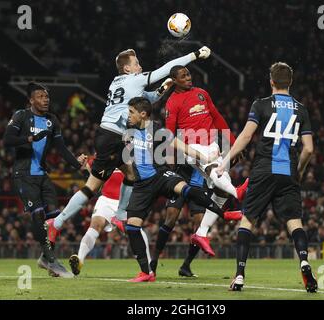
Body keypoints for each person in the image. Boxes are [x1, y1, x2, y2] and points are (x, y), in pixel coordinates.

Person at [48, 46, 212, 241]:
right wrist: (195, 54)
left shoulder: (117, 82)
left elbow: (147, 100)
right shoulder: (136, 79)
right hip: (112, 137)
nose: (140, 66)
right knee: (91, 187)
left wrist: (163, 89)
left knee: (131, 174)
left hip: (113, 136)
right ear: (127, 68)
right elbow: (168, 68)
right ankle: (57, 223)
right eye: (136, 64)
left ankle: (120, 216)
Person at [216, 62, 318, 293]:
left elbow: (246, 135)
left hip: (263, 169)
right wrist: (299, 171)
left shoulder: (261, 105)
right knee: (294, 222)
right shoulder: (301, 109)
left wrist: (225, 162)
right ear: (290, 82)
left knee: (248, 220)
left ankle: (240, 275)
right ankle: (303, 260)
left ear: (271, 81)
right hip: (288, 171)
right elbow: (309, 149)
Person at [124, 97, 243, 282]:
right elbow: (126, 157)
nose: (128, 115)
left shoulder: (157, 130)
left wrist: (205, 156)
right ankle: (146, 271)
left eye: (131, 112)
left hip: (160, 176)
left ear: (143, 114)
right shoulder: (128, 130)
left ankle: (223, 213)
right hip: (142, 185)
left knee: (185, 190)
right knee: (132, 226)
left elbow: (184, 148)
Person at [3, 82, 87, 278]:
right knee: (38, 215)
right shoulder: (21, 116)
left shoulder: (52, 120)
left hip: (42, 174)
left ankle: (44, 258)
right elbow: (7, 140)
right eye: (40, 96)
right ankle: (51, 260)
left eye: (47, 96)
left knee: (54, 220)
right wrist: (30, 139)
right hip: (24, 174)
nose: (45, 99)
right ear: (31, 100)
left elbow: (62, 148)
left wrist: (78, 166)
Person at [164, 65, 249, 256]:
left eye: (188, 74)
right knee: (216, 171)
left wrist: (234, 145)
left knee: (220, 190)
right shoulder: (172, 102)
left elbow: (217, 118)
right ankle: (238, 193)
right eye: (183, 76)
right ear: (175, 80)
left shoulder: (202, 93)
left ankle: (201, 233)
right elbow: (169, 134)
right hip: (193, 147)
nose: (188, 77)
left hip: (212, 144)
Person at [69, 161, 125, 276]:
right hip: (106, 199)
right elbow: (91, 177)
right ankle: (79, 260)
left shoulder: (131, 152)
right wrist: (83, 166)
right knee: (94, 226)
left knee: (133, 230)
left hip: (126, 200)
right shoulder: (102, 155)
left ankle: (148, 266)